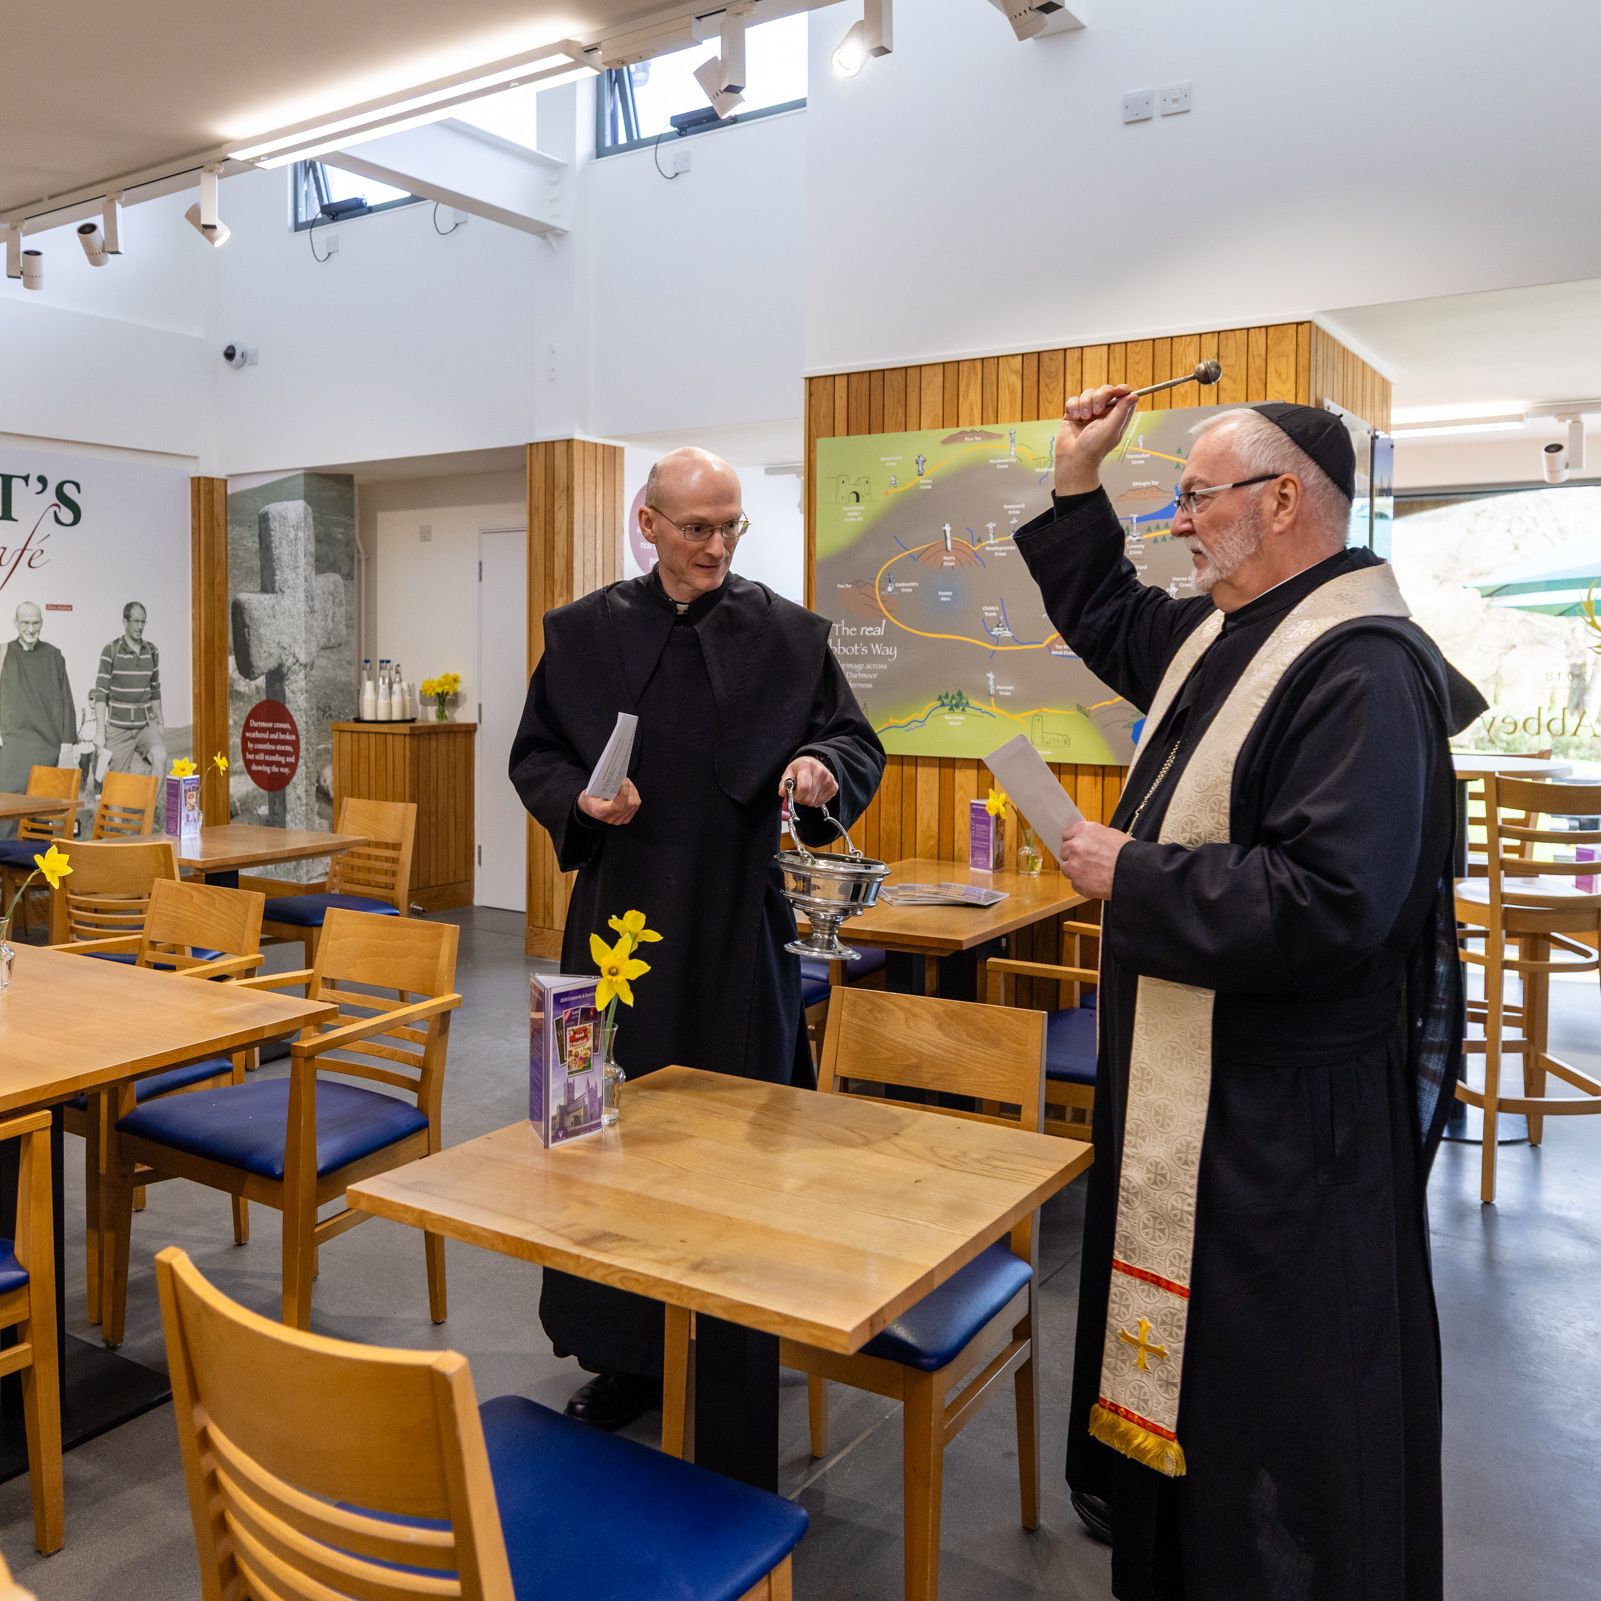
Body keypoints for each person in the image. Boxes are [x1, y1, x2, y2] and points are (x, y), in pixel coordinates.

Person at [1014, 387, 1485, 1601]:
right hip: (1205, 1087)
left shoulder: (1360, 669)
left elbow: (1335, 902)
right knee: (1203, 1383)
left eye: (1194, 495)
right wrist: (1076, 476)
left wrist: (1136, 872)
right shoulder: (1226, 632)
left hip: (1286, 1125)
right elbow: (1103, 607)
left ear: (1281, 500)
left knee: (1276, 1397)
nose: (1176, 520)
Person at [510, 446, 885, 1434]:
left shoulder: (787, 635)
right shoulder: (585, 633)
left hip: (731, 930)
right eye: (695, 527)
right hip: (611, 938)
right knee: (591, 1140)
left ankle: (734, 1340)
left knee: (739, 1149)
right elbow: (536, 754)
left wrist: (814, 766)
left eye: (730, 527)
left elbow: (854, 740)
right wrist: (580, 800)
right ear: (648, 522)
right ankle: (618, 1350)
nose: (716, 545)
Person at [0, 602, 77, 835]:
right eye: (25, 622)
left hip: (46, 749)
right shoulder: (3, 654)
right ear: (16, 623)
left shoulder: (54, 656)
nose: (31, 629)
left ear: (41, 623)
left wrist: (66, 745)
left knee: (40, 816)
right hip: (13, 749)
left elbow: (66, 701)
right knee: (7, 813)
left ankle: (37, 869)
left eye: (35, 623)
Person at [91, 600, 167, 802]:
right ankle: (118, 829)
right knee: (117, 791)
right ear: (125, 622)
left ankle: (148, 813)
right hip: (118, 729)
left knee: (160, 757)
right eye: (135, 621)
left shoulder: (152, 651)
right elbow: (100, 692)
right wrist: (100, 732)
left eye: (143, 622)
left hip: (144, 728)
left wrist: (160, 722)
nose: (140, 626)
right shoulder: (111, 651)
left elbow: (155, 689)